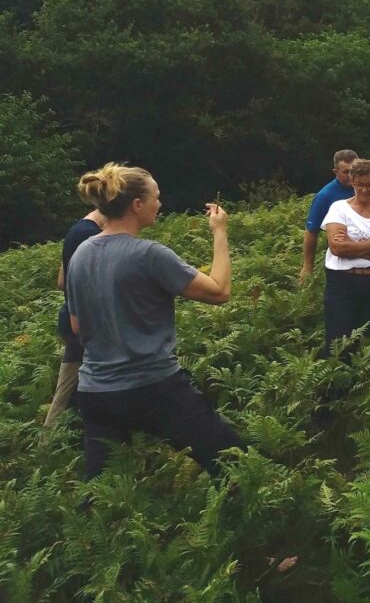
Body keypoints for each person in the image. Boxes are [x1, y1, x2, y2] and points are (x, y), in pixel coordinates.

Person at [66, 163, 242, 479]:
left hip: (95, 392)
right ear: (137, 205)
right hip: (153, 387)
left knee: (102, 494)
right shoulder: (148, 254)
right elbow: (220, 292)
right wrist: (220, 231)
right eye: (155, 198)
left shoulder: (80, 254)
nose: (159, 204)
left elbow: (76, 326)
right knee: (234, 464)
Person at [320, 158, 370, 358]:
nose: (364, 190)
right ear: (353, 182)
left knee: (364, 340)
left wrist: (353, 245)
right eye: (360, 184)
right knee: (337, 340)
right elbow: (337, 248)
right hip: (342, 282)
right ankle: (332, 386)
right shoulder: (339, 208)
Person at [43, 208, 106, 428]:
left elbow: (62, 280)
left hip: (72, 319)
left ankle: (48, 445)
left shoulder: (78, 229)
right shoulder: (89, 236)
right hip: (83, 323)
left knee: (67, 389)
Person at [299, 149, 370, 284]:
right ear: (335, 172)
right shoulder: (325, 196)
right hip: (344, 266)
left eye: (353, 170)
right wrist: (307, 266)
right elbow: (312, 231)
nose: (351, 176)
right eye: (346, 172)